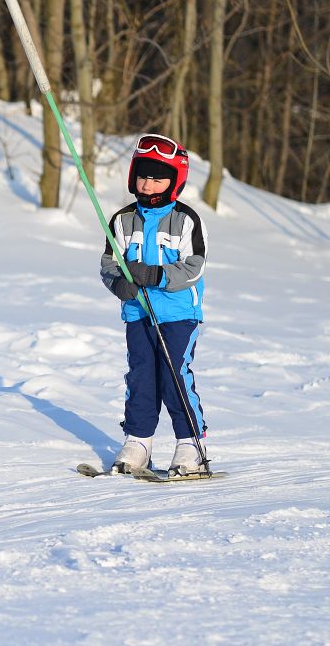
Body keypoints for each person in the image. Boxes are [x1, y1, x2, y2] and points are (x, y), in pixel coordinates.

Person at [99, 134, 209, 476]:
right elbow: (109, 263)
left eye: (158, 178)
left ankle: (190, 444)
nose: (148, 185)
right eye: (142, 176)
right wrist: (119, 285)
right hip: (138, 313)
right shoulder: (122, 220)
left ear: (175, 181)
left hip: (177, 312)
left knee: (174, 374)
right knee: (141, 375)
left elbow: (194, 267)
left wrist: (155, 275)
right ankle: (139, 441)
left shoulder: (186, 219)